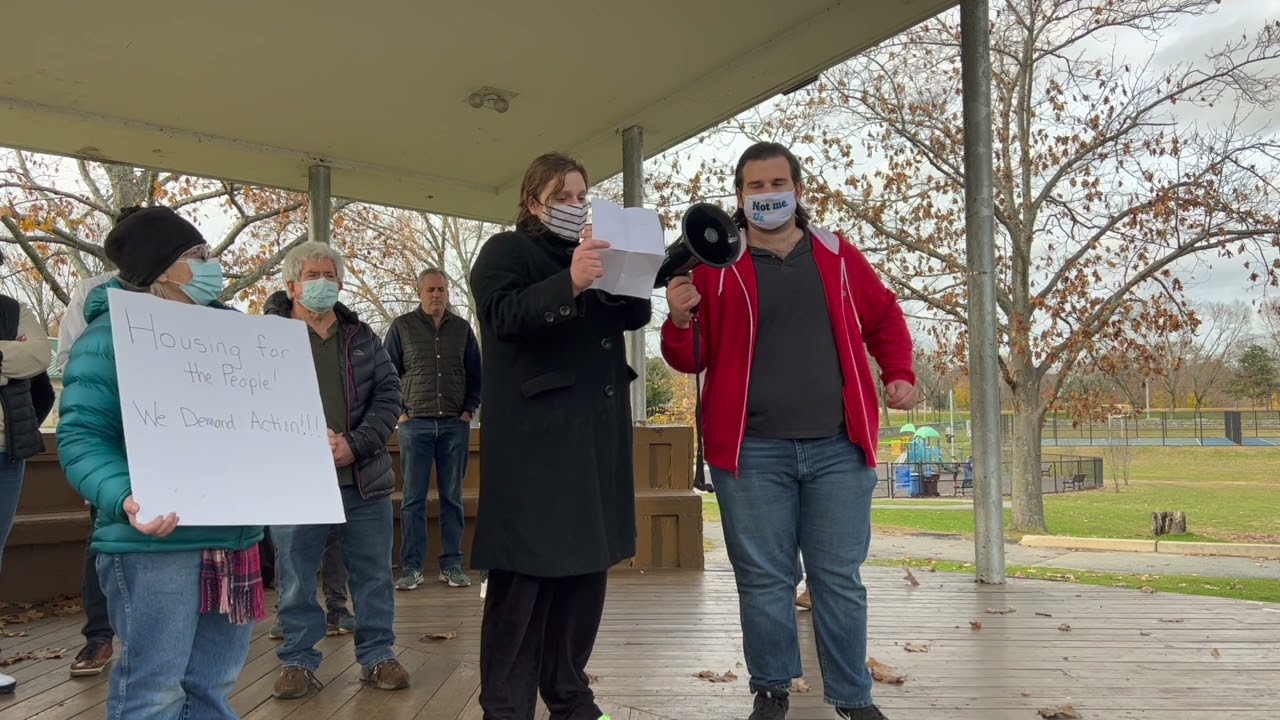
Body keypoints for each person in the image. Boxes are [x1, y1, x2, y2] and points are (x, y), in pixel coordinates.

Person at [661, 142, 917, 720]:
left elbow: (884, 317)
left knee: (838, 580)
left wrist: (898, 371)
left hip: (838, 449)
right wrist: (678, 320)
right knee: (764, 580)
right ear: (740, 197)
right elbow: (686, 357)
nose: (767, 195)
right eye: (755, 187)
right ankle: (771, 689)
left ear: (798, 192)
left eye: (778, 183)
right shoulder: (713, 267)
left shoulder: (837, 254)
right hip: (750, 453)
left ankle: (853, 698)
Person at [56, 205, 266, 718]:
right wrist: (127, 495)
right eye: (199, 254)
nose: (212, 263)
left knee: (213, 687)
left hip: (231, 538)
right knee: (154, 691)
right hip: (154, 541)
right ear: (163, 269)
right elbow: (81, 437)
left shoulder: (235, 336)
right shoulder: (106, 339)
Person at [468, 152, 650, 720]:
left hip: (594, 440)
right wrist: (570, 281)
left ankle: (570, 695)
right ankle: (507, 706)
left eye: (581, 196)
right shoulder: (507, 251)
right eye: (562, 197)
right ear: (532, 203)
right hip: (537, 447)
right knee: (524, 582)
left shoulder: (596, 254)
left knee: (583, 577)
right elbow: (502, 316)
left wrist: (642, 277)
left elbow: (627, 315)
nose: (575, 206)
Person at [264, 241, 409, 699]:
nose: (322, 282)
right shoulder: (263, 338)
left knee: (373, 575)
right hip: (294, 483)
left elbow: (389, 396)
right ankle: (298, 662)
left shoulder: (363, 336)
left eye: (330, 275)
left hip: (362, 479)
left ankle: (378, 656)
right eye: (312, 274)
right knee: (295, 579)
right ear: (291, 285)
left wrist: (354, 445)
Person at [386, 267, 481, 591]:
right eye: (430, 290)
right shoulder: (402, 328)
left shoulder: (462, 329)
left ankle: (452, 565)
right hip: (416, 425)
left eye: (441, 289)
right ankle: (411, 568)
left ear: (447, 293)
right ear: (419, 292)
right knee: (413, 499)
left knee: (452, 498)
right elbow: (387, 373)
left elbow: (476, 373)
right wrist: (400, 412)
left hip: (455, 424)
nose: (436, 295)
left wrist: (469, 409)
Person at [57, 267, 118, 680]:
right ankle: (99, 636)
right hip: (115, 447)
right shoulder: (90, 294)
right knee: (103, 539)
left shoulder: (204, 306)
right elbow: (67, 359)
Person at [0, 257, 54, 696]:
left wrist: (17, 354)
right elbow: (19, 358)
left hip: (7, 452)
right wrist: (7, 354)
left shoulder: (14, 310)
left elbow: (38, 354)